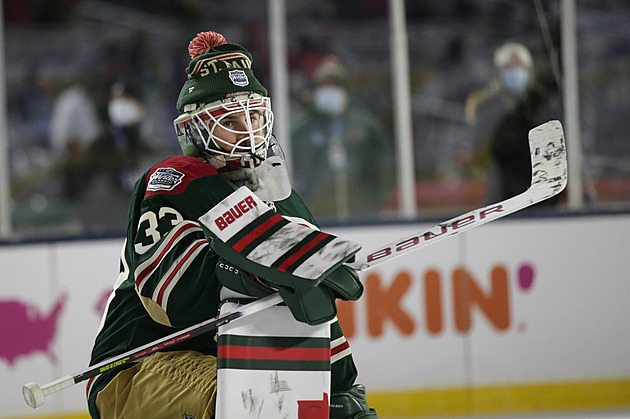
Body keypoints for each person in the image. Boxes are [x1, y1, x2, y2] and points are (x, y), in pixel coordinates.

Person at [87, 31, 378, 419]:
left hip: (225, 362)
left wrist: (342, 389)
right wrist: (257, 276)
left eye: (254, 115)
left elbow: (314, 299)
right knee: (254, 397)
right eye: (230, 120)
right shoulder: (176, 179)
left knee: (298, 397)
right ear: (195, 130)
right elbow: (172, 304)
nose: (249, 129)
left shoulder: (283, 198)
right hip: (136, 365)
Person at [291, 55, 394, 221]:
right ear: (315, 91)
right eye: (325, 85)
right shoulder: (301, 129)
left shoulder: (366, 126)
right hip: (317, 212)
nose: (330, 90)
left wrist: (379, 202)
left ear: (346, 89)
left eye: (336, 85)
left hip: (362, 213)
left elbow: (384, 167)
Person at [464, 41, 562, 205]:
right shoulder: (488, 108)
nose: (515, 72)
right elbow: (478, 154)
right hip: (500, 195)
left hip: (541, 193)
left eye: (520, 67)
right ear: (498, 72)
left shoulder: (542, 104)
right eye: (509, 68)